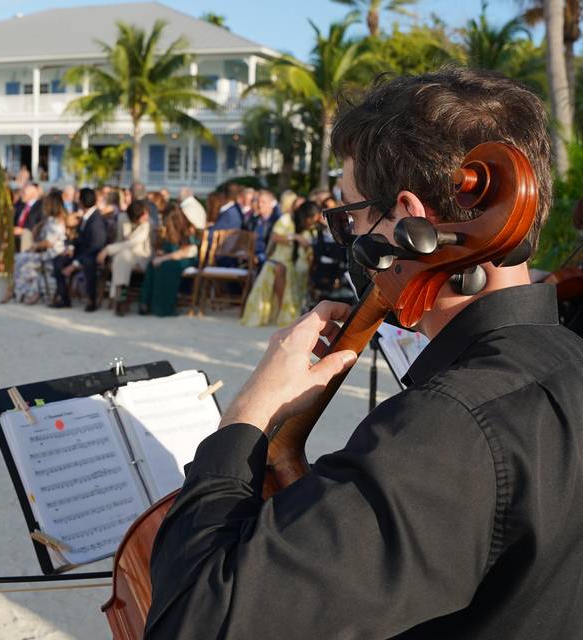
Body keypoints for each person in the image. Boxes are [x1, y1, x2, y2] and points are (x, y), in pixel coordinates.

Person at [147, 68, 583, 639]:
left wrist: (245, 417)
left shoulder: (449, 428)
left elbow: (193, 622)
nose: (352, 237)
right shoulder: (569, 358)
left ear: (407, 219)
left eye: (351, 214)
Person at [240, 200, 314, 327]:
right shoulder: (286, 219)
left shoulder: (308, 227)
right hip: (278, 259)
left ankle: (287, 312)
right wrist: (294, 237)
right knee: (279, 269)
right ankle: (280, 311)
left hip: (294, 263)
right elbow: (274, 237)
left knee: (294, 269)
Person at [138, 200, 203, 317]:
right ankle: (146, 303)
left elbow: (185, 251)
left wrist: (163, 258)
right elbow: (170, 247)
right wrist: (161, 253)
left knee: (167, 267)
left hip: (186, 259)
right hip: (171, 257)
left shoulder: (189, 229)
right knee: (152, 265)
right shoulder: (169, 230)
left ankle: (164, 308)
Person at [3, 190, 68, 304]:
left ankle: (22, 292)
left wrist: (34, 246)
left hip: (52, 255)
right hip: (47, 253)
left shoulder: (56, 222)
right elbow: (37, 234)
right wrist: (39, 226)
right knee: (20, 259)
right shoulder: (50, 220)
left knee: (23, 261)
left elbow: (49, 242)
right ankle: (18, 291)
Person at [52, 187, 107, 311]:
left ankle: (91, 300)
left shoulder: (96, 220)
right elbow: (78, 236)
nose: (76, 201)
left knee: (88, 262)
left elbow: (96, 245)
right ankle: (64, 298)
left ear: (81, 201)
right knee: (58, 260)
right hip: (81, 252)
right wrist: (71, 247)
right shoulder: (86, 216)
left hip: (93, 255)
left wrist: (75, 264)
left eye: (78, 198)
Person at [97, 199, 151, 316]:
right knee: (123, 257)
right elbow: (120, 239)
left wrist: (107, 250)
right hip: (123, 253)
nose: (147, 216)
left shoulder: (147, 224)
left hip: (141, 255)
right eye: (144, 214)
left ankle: (119, 298)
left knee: (122, 257)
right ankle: (121, 298)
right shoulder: (123, 218)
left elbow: (133, 243)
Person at [243, 189, 279, 267]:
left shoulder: (276, 221)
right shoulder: (253, 220)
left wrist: (259, 257)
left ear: (271, 203)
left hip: (267, 256)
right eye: (258, 201)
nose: (259, 204)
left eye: (263, 202)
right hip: (251, 255)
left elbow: (273, 247)